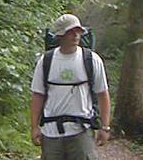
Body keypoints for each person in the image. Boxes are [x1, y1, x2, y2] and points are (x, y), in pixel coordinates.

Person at [30, 14, 111, 160]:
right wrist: (35, 127)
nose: (75, 35)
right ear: (60, 35)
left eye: (78, 31)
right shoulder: (46, 61)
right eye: (70, 31)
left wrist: (105, 127)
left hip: (81, 131)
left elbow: (102, 94)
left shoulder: (92, 60)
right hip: (50, 132)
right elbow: (38, 95)